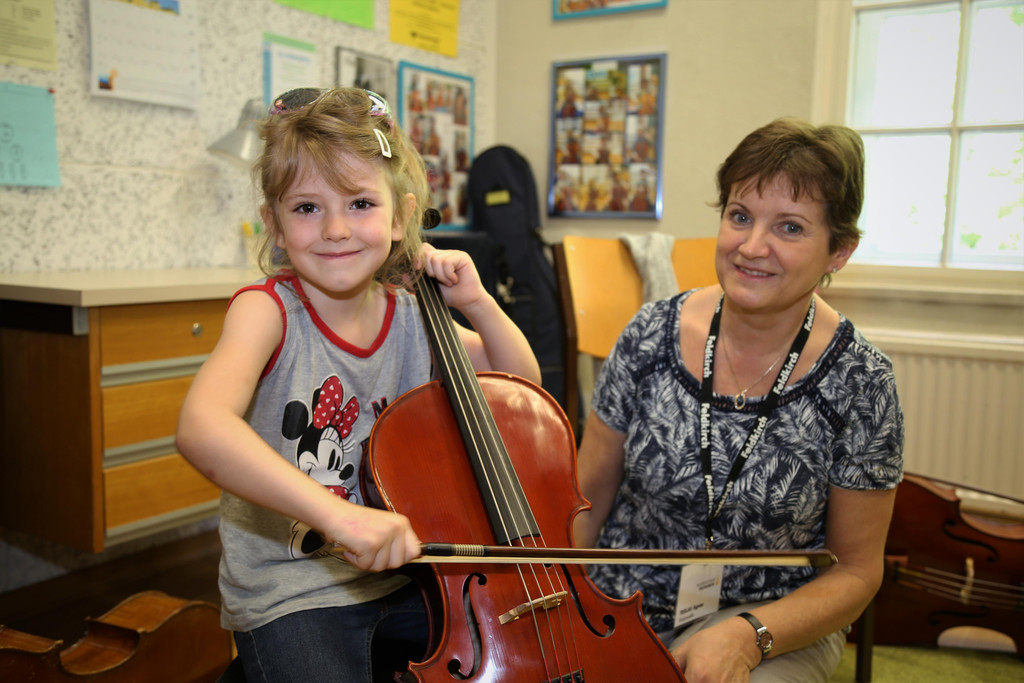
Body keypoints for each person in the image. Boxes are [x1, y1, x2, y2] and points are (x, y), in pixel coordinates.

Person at [176, 87, 541, 683]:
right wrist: (340, 518)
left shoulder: (413, 315)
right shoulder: (267, 311)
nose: (336, 229)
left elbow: (521, 388)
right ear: (273, 223)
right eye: (306, 207)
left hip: (405, 578)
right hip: (292, 588)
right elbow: (201, 426)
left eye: (361, 203)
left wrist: (480, 304)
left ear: (400, 217)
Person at [573, 117, 904, 683]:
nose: (752, 247)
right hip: (617, 602)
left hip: (773, 619)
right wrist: (552, 605)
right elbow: (584, 502)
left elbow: (855, 571)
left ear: (839, 251)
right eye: (740, 216)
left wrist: (748, 636)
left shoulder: (863, 382)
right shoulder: (649, 334)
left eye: (790, 228)